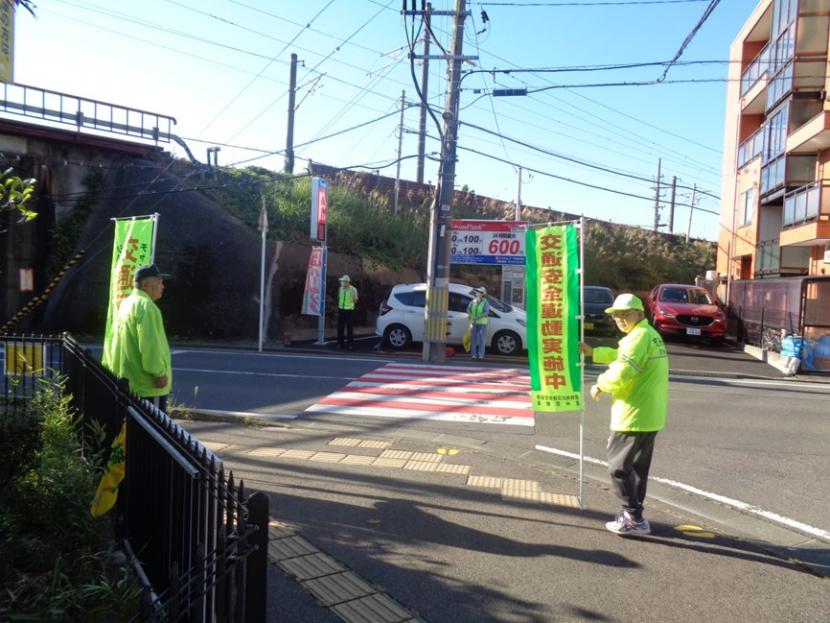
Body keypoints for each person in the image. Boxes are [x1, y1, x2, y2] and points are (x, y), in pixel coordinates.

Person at [579, 293, 668, 536]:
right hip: (650, 415)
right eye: (616, 315)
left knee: (618, 467)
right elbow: (621, 355)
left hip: (632, 415)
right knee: (637, 468)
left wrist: (599, 385)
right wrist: (593, 352)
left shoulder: (637, 338)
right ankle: (634, 513)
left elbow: (621, 371)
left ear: (640, 313)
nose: (619, 319)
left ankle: (634, 518)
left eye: (624, 314)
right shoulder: (649, 335)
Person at [104, 264, 172, 412]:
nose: (163, 286)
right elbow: (150, 345)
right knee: (152, 431)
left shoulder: (126, 303)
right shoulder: (147, 307)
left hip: (128, 381)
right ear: (145, 284)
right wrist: (159, 373)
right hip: (147, 385)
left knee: (132, 429)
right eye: (159, 282)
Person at [466, 286, 490, 360]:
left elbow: (486, 312)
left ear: (482, 294)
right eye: (477, 292)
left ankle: (480, 355)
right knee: (473, 339)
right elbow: (468, 309)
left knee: (481, 339)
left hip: (482, 323)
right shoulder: (473, 301)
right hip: (474, 323)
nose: (477, 293)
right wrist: (469, 314)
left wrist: (479, 316)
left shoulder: (485, 302)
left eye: (479, 292)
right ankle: (473, 354)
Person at [336, 274, 358, 350]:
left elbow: (355, 299)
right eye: (341, 281)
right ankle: (340, 343)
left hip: (349, 311)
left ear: (347, 282)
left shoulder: (353, 289)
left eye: (343, 281)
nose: (341, 282)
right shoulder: (340, 288)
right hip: (341, 310)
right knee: (340, 328)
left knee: (349, 328)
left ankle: (350, 344)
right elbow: (339, 297)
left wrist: (350, 304)